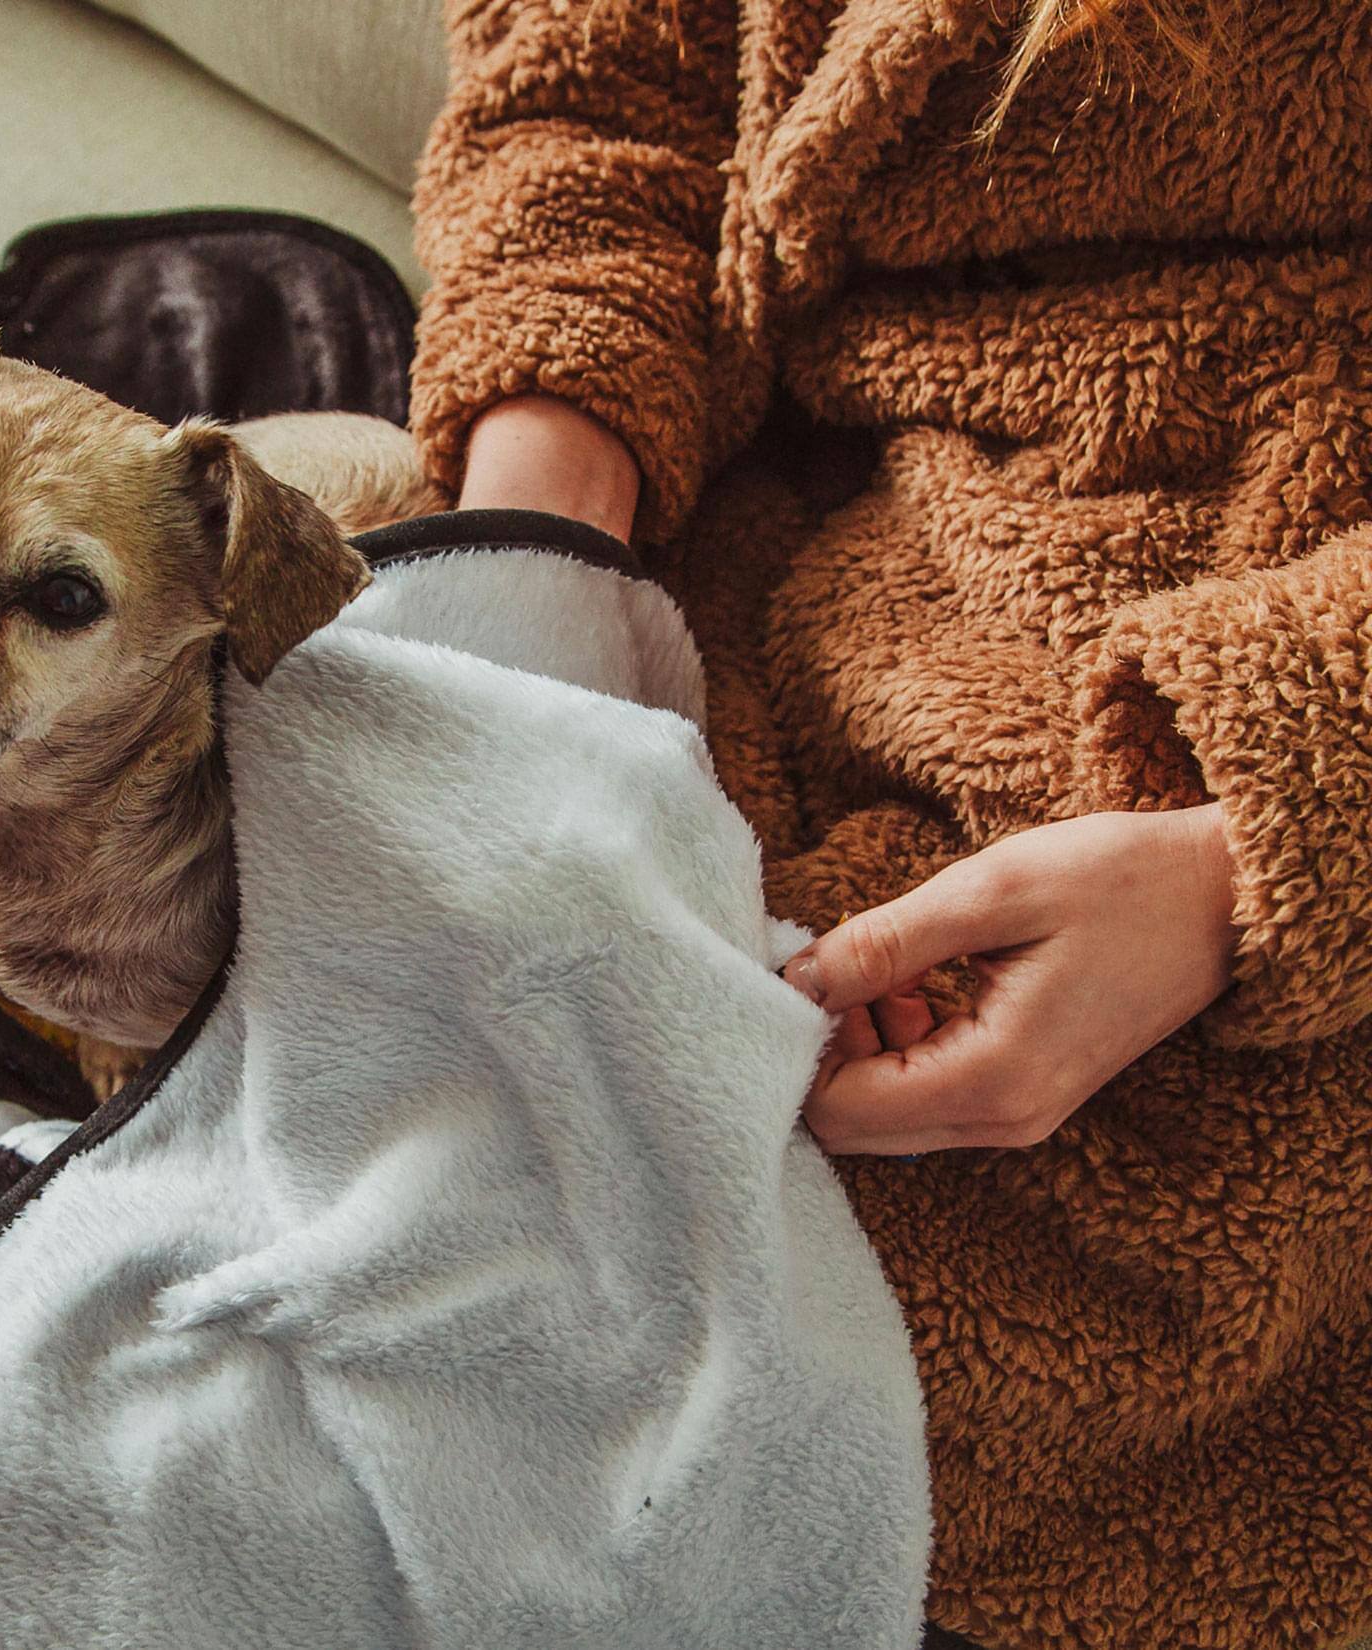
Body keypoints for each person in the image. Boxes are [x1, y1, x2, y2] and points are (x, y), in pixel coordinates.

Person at [409, 0, 1372, 1643]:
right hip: (760, 487)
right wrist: (536, 547)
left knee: (761, 1360)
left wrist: (1251, 852)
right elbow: (594, 86)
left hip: (1275, 637)